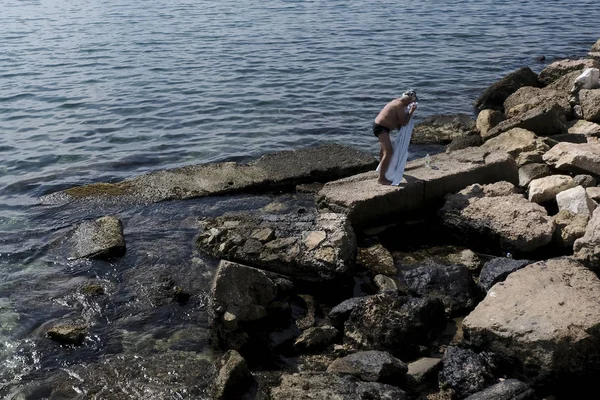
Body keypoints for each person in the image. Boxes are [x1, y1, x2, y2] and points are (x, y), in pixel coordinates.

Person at [373, 89, 418, 185]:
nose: (413, 103)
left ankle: (382, 171)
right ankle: (381, 178)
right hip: (381, 128)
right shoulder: (400, 105)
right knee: (388, 152)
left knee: (383, 151)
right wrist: (411, 111)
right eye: (413, 101)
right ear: (409, 99)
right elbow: (404, 122)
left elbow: (398, 122)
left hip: (381, 127)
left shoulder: (397, 102)